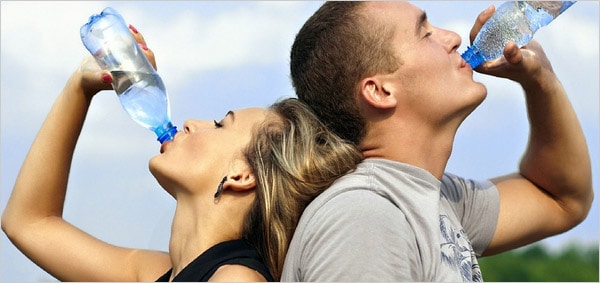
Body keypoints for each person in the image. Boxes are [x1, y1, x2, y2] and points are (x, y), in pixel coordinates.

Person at [0, 25, 362, 282]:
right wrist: (81, 85)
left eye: (221, 124)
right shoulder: (158, 274)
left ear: (241, 175)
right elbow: (29, 223)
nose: (192, 122)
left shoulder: (235, 279)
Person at [281, 1, 594, 281]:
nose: (454, 38)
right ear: (380, 91)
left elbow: (563, 199)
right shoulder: (365, 218)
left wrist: (540, 79)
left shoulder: (432, 199)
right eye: (425, 33)